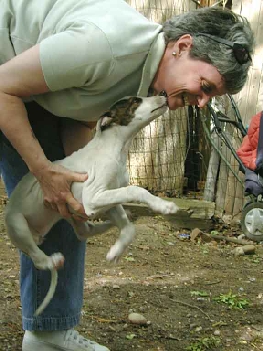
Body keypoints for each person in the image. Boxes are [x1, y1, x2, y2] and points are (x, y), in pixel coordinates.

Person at [0, 1, 254, 350]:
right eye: (206, 87)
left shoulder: (146, 79)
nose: (202, 103)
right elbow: (3, 88)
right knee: (50, 187)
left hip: (36, 85)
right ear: (183, 46)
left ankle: (49, 334)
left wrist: (80, 180)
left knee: (66, 198)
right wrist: (44, 172)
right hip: (6, 73)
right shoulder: (104, 48)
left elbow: (82, 114)